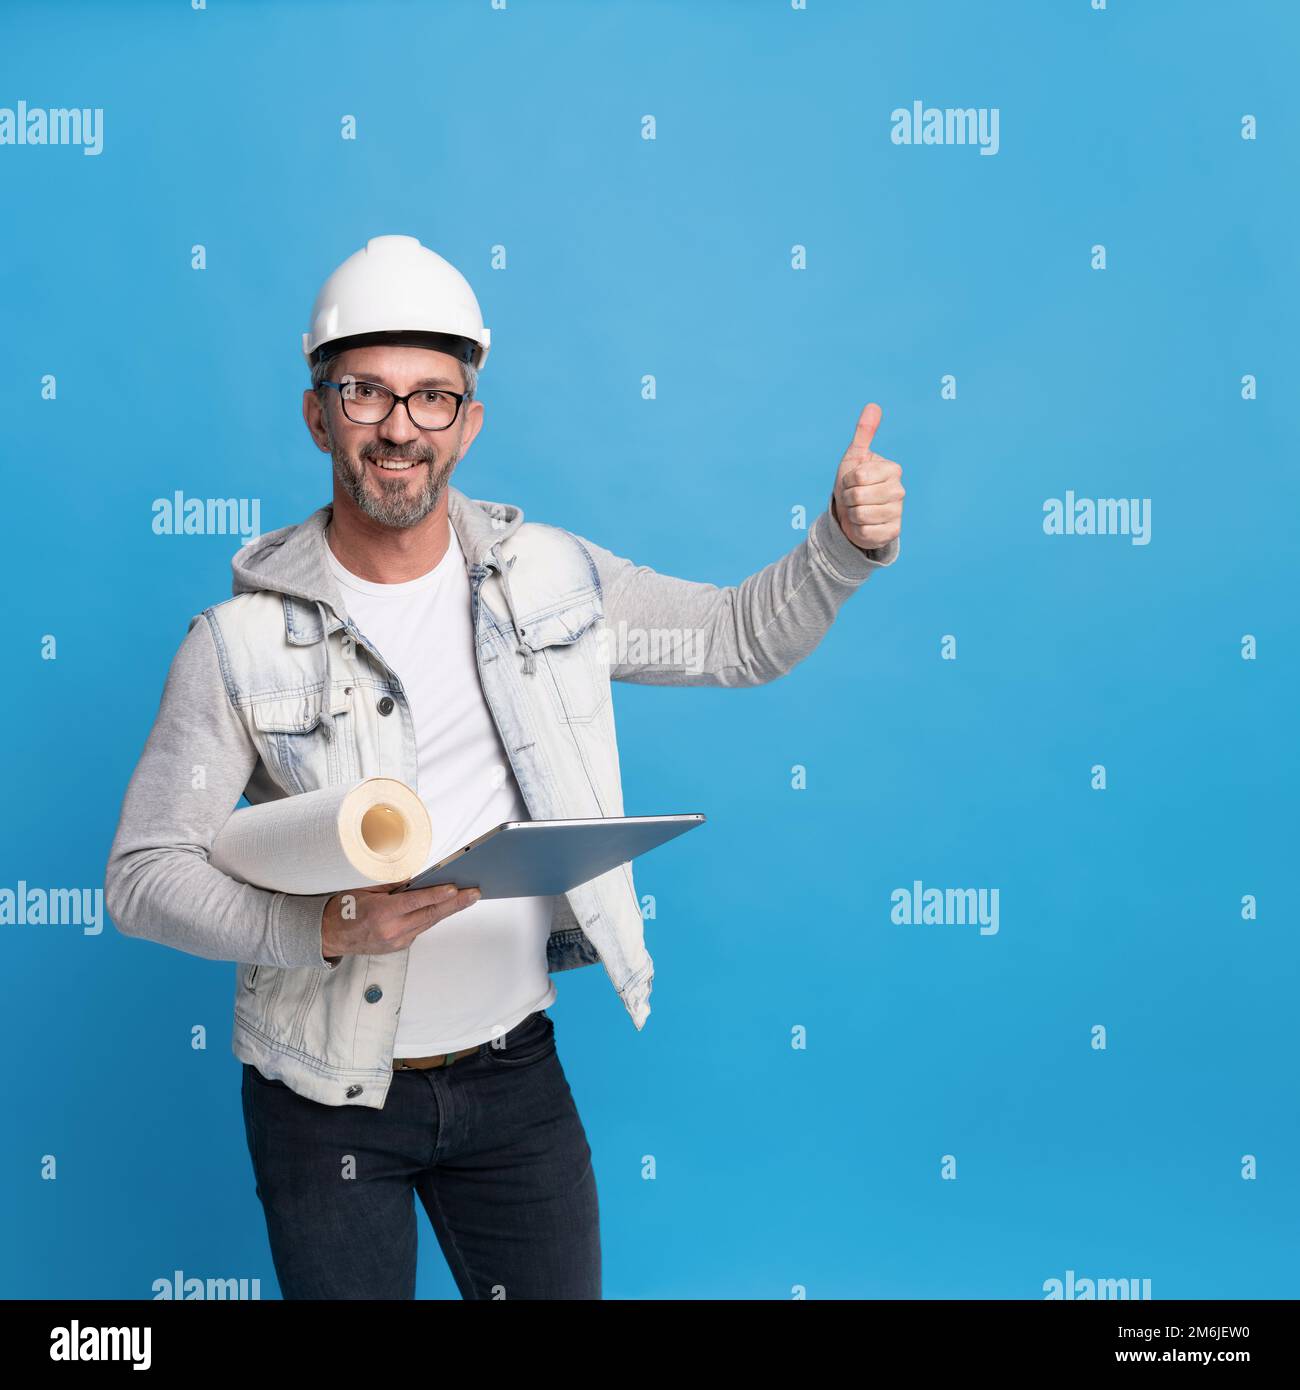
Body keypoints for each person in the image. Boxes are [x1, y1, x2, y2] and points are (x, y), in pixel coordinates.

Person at [104, 234, 905, 1300]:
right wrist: (322, 926)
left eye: (433, 397)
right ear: (317, 414)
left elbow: (732, 637)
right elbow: (143, 875)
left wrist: (840, 546)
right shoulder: (236, 644)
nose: (399, 426)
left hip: (513, 1074)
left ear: (469, 422)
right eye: (365, 393)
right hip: (323, 1098)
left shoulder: (554, 579)